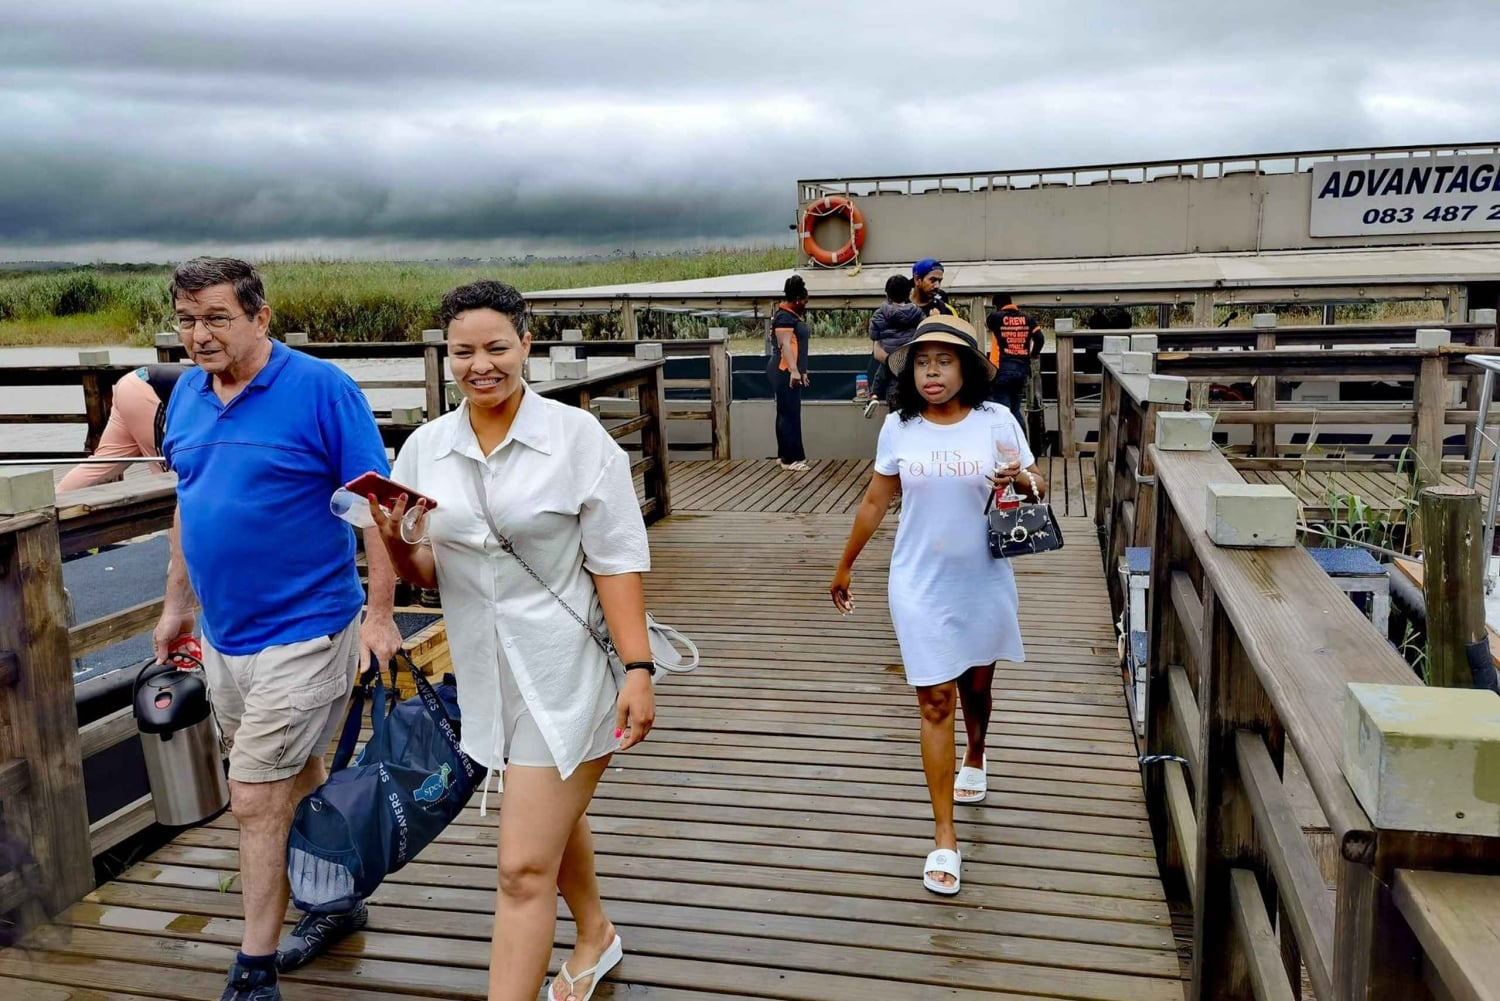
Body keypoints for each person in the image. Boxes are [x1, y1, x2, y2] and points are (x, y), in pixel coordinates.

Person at [367, 280, 655, 1001]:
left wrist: (639, 667)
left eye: (497, 346)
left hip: (572, 668)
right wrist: (397, 542)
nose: (481, 364)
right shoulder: (428, 447)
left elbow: (614, 558)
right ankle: (596, 934)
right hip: (488, 674)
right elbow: (426, 573)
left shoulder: (575, 438)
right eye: (464, 351)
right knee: (546, 815)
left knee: (521, 868)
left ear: (527, 344)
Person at [150, 257, 401, 1001]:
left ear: (261, 317)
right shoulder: (188, 395)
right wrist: (177, 606)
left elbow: (378, 504)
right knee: (296, 775)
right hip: (227, 638)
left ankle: (253, 967)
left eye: (217, 318)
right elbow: (188, 505)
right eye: (187, 319)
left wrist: (380, 615)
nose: (199, 335)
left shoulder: (322, 388)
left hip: (309, 627)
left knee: (254, 795)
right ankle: (335, 898)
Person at [828, 315, 1047, 897]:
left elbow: (1038, 483)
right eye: (923, 361)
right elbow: (877, 497)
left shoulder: (996, 420)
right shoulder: (900, 427)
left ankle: (977, 752)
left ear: (967, 369)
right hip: (917, 582)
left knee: (977, 686)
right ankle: (944, 836)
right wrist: (846, 562)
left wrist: (1023, 480)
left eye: (944, 361)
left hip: (983, 576)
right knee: (934, 700)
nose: (932, 371)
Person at [56, 364, 189, 491]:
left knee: (104, 463)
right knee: (167, 467)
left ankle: (58, 495)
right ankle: (170, 510)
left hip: (130, 383)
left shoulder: (200, 373)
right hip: (148, 392)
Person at [863, 274, 923, 418]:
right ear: (909, 293)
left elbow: (873, 334)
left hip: (890, 354)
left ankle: (874, 396)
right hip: (909, 358)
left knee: (881, 373)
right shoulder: (916, 312)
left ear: (887, 294)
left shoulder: (880, 313)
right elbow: (924, 329)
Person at [768, 274, 811, 471]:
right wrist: (794, 371)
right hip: (783, 368)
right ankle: (790, 458)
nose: (805, 303)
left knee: (788, 411)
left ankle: (784, 454)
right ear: (796, 300)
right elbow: (785, 345)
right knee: (789, 412)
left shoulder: (792, 316)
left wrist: (802, 370)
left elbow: (798, 346)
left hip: (791, 369)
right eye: (803, 300)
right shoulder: (784, 316)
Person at [984, 294, 1045, 433]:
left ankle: (1007, 449)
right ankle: (1023, 445)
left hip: (1001, 370)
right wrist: (1034, 354)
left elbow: (987, 326)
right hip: (1023, 370)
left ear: (996, 305)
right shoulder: (1028, 319)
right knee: (1015, 410)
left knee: (1002, 412)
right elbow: (1040, 338)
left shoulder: (996, 317)